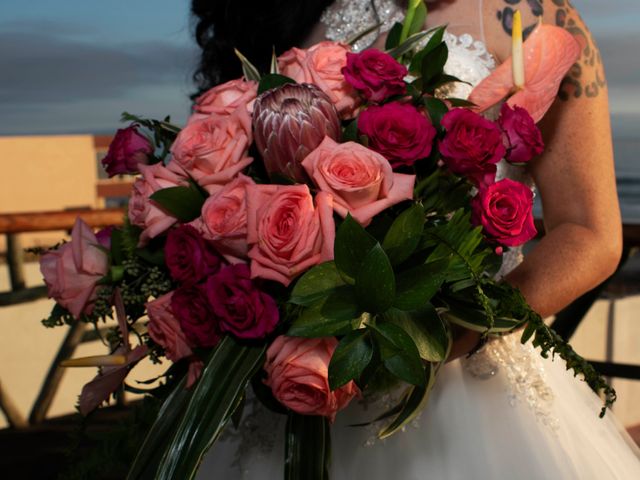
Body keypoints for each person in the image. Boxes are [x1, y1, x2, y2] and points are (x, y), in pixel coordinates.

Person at [192, 1, 640, 478]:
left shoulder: (536, 18)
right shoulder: (304, 13)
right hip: (303, 373)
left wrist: (453, 331)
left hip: (460, 380)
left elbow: (590, 231)